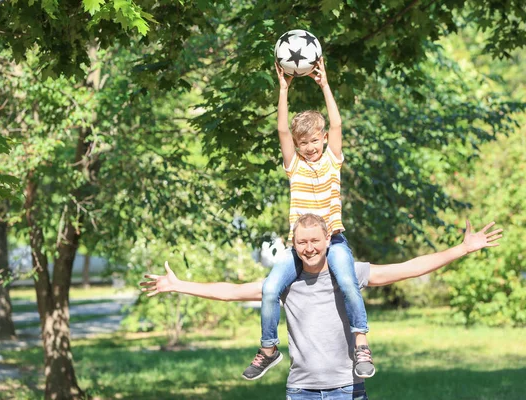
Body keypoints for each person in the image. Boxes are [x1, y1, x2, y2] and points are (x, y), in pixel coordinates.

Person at [140, 213, 503, 399]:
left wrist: (462, 249)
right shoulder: (283, 283)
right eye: (301, 243)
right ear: (293, 245)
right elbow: (232, 291)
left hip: (348, 386)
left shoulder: (351, 273)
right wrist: (178, 285)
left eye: (315, 241)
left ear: (328, 240)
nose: (309, 248)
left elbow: (408, 269)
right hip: (301, 389)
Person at [247, 56, 373, 381]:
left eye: (315, 140)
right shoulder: (295, 167)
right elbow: (281, 129)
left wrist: (325, 84)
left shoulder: (333, 160)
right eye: (304, 143)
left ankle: (361, 343)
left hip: (333, 241)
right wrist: (283, 89)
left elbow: (336, 125)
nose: (310, 147)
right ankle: (269, 349)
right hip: (299, 247)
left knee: (347, 282)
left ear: (323, 140)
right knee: (270, 287)